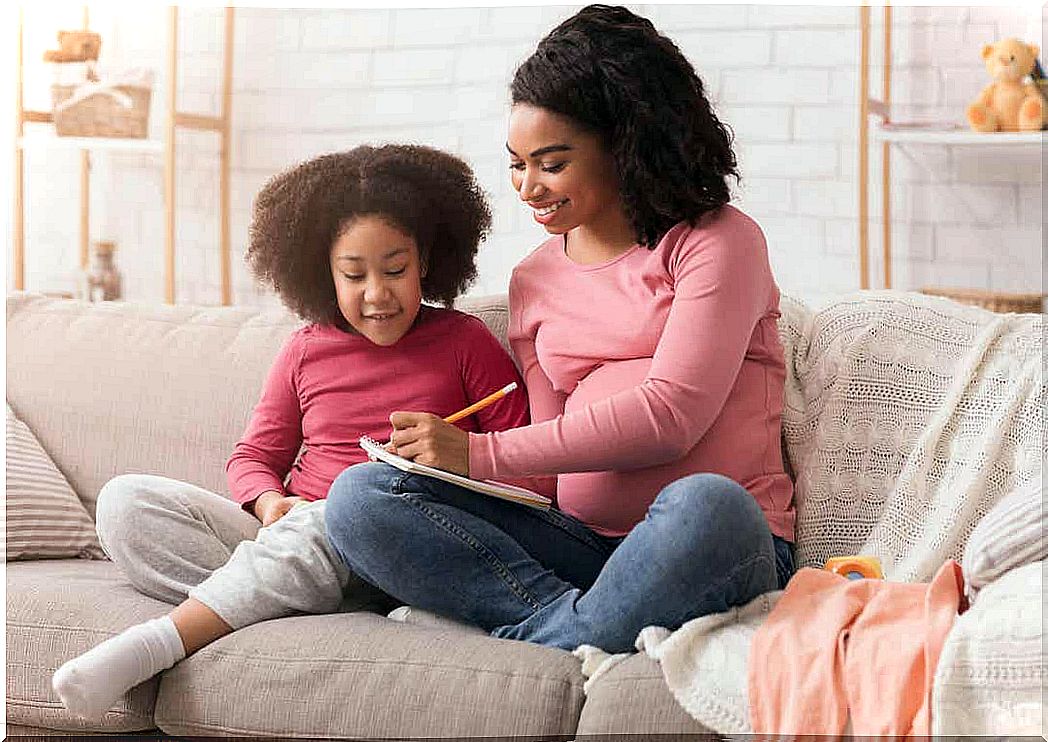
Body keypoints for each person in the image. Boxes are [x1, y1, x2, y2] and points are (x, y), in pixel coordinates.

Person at [324, 4, 796, 654]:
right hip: (577, 549)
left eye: (550, 162)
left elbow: (673, 415)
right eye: (516, 163)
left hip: (713, 543)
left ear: (624, 143)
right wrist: (443, 471)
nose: (527, 187)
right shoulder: (534, 279)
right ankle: (573, 627)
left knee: (708, 506)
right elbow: (545, 474)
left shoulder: (718, 242)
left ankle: (544, 630)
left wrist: (480, 455)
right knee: (360, 496)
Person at [52, 144, 530, 721]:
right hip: (295, 533)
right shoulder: (306, 349)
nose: (376, 293)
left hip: (392, 538)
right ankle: (308, 594)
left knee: (338, 510)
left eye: (395, 270)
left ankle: (161, 640)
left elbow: (524, 473)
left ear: (425, 259)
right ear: (324, 273)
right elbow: (254, 455)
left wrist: (460, 457)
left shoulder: (466, 342)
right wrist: (270, 501)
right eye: (354, 275)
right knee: (125, 504)